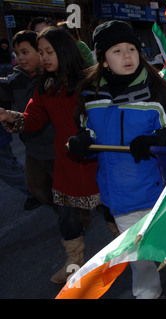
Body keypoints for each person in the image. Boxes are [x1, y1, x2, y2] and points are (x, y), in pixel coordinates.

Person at [67, 20, 166, 299]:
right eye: (117, 51)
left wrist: (157, 140)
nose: (127, 56)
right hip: (120, 195)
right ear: (104, 60)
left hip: (159, 191)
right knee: (140, 257)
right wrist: (82, 141)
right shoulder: (90, 94)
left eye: (132, 49)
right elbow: (89, 132)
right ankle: (147, 293)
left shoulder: (157, 91)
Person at [0, 28, 101, 285]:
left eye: (49, 52)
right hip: (66, 162)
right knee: (66, 216)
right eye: (41, 52)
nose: (43, 57)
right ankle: (73, 262)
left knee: (115, 212)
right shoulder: (45, 86)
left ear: (64, 51)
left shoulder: (89, 80)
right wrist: (11, 116)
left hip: (98, 160)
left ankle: (133, 258)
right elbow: (33, 119)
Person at [0, 30, 52, 209]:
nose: (20, 58)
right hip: (33, 148)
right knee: (37, 188)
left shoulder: (51, 78)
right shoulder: (15, 80)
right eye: (16, 53)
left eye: (25, 52)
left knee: (67, 197)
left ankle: (73, 224)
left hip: (58, 148)